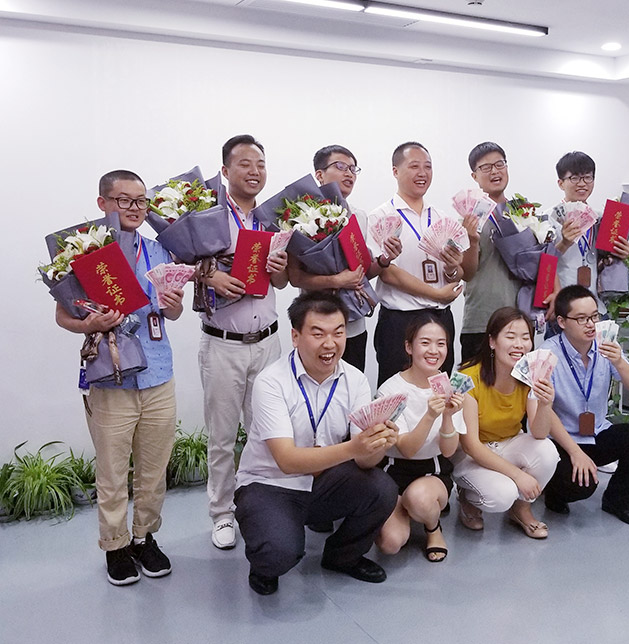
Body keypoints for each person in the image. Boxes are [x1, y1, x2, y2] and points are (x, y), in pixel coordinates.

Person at [55, 170, 184, 585]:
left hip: (158, 372)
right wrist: (89, 324)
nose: (134, 208)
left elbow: (174, 312)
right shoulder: (85, 253)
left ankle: (144, 537)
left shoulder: (159, 250)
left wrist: (173, 303)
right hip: (111, 378)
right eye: (123, 200)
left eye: (141, 201)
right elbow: (62, 314)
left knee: (154, 468)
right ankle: (115, 545)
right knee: (112, 471)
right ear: (103, 204)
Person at [234, 291, 399, 595]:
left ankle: (342, 557)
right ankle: (265, 562)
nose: (330, 343)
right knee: (278, 551)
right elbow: (286, 461)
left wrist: (377, 444)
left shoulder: (355, 380)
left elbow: (364, 461)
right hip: (270, 484)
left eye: (338, 333)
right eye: (318, 333)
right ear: (295, 337)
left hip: (323, 482)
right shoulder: (271, 382)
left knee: (381, 488)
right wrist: (354, 448)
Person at [198, 134, 289, 550]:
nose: (254, 172)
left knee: (266, 431)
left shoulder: (271, 219)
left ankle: (263, 507)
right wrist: (210, 276)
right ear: (225, 170)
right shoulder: (208, 216)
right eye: (245, 164)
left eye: (260, 164)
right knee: (221, 437)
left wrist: (279, 266)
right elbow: (177, 264)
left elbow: (281, 282)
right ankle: (221, 513)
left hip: (268, 342)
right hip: (223, 343)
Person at [542, 285, 629, 527]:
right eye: (582, 318)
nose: (591, 324)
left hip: (596, 433)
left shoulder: (606, 345)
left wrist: (619, 362)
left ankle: (618, 501)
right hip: (561, 440)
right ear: (561, 322)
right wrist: (575, 452)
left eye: (595, 316)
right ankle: (553, 492)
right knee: (582, 485)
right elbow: (545, 413)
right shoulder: (547, 355)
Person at [288, 144, 401, 371]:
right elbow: (295, 277)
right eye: (340, 166)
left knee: (352, 384)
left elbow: (363, 273)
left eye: (353, 168)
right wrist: (336, 281)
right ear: (319, 174)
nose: (349, 173)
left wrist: (384, 260)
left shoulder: (359, 216)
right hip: (317, 324)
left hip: (354, 324)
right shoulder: (300, 216)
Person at [454, 307, 559, 538]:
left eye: (525, 338)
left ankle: (521, 510)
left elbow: (539, 433)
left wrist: (545, 404)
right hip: (472, 455)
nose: (519, 345)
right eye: (510, 337)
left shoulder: (529, 376)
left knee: (548, 451)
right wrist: (518, 476)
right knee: (502, 495)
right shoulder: (468, 378)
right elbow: (470, 445)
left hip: (509, 443)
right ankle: (467, 497)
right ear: (492, 341)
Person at [368, 141, 465, 387]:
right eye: (414, 166)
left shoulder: (441, 217)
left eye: (428, 167)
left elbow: (456, 273)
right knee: (395, 392)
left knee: (440, 390)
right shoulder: (380, 216)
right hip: (401, 321)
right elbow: (387, 273)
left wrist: (453, 268)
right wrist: (436, 294)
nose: (422, 173)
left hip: (440, 319)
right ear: (395, 171)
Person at [372, 316, 464, 562]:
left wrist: (447, 416)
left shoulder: (451, 386)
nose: (434, 350)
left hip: (433, 471)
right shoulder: (390, 390)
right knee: (390, 543)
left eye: (441, 343)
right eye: (425, 343)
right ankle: (403, 510)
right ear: (409, 347)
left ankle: (433, 528)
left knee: (419, 498)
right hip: (393, 471)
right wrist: (430, 415)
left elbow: (449, 451)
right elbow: (407, 449)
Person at [548, 151, 629, 319]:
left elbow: (610, 255)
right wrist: (564, 243)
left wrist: (624, 252)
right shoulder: (549, 219)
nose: (582, 184)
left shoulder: (601, 218)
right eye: (574, 178)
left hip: (596, 307)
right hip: (564, 307)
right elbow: (543, 262)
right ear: (560, 183)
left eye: (588, 177)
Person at [459, 142, 521, 363]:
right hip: (481, 320)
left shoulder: (523, 212)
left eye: (499, 164)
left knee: (518, 384)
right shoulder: (468, 217)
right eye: (486, 167)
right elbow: (466, 273)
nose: (495, 171)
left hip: (519, 321)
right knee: (476, 382)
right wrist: (472, 241)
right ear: (474, 176)